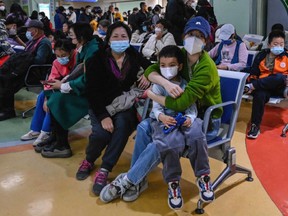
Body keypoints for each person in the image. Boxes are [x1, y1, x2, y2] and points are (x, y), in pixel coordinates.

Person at [99, 16, 221, 203]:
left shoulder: (206, 68)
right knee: (143, 128)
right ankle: (139, 180)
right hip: (169, 112)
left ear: (206, 40)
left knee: (160, 142)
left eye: (199, 36)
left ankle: (130, 180)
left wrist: (153, 95)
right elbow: (150, 70)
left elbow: (182, 104)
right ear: (183, 35)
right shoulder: (180, 55)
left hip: (202, 115)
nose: (193, 39)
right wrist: (163, 82)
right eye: (190, 34)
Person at [75, 22, 151, 196]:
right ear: (108, 39)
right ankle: (89, 160)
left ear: (129, 39)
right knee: (102, 134)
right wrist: (103, 116)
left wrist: (147, 73)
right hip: (100, 105)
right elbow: (92, 92)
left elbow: (151, 66)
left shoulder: (132, 54)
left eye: (123, 36)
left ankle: (105, 170)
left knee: (123, 126)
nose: (119, 40)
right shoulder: (96, 59)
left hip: (123, 105)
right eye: (115, 36)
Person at [36, 23, 100, 157]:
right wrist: (63, 82)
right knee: (48, 93)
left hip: (92, 91)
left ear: (81, 36)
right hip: (81, 85)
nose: (70, 39)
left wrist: (63, 85)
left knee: (57, 99)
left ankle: (62, 145)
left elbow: (88, 79)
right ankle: (56, 136)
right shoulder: (85, 47)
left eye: (72, 36)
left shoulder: (93, 50)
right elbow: (77, 72)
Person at [21, 39, 77, 147]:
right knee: (42, 95)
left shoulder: (77, 59)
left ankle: (46, 132)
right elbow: (50, 81)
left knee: (54, 100)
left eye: (63, 55)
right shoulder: (56, 63)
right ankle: (36, 130)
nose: (61, 58)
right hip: (59, 87)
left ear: (71, 52)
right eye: (58, 55)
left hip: (71, 89)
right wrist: (46, 98)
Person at [0, 20, 52, 121]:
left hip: (34, 73)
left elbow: (39, 61)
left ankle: (8, 111)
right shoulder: (33, 41)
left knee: (8, 80)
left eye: (29, 29)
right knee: (3, 76)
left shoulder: (44, 43)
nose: (27, 31)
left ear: (36, 30)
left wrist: (25, 58)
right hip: (26, 70)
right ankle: (3, 108)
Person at [244, 30, 288, 139]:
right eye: (275, 44)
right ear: (269, 44)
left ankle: (251, 87)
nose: (279, 46)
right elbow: (253, 74)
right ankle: (255, 126)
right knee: (260, 94)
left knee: (279, 77)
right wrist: (253, 82)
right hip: (263, 86)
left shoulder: (286, 56)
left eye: (281, 44)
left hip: (281, 86)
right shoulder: (261, 55)